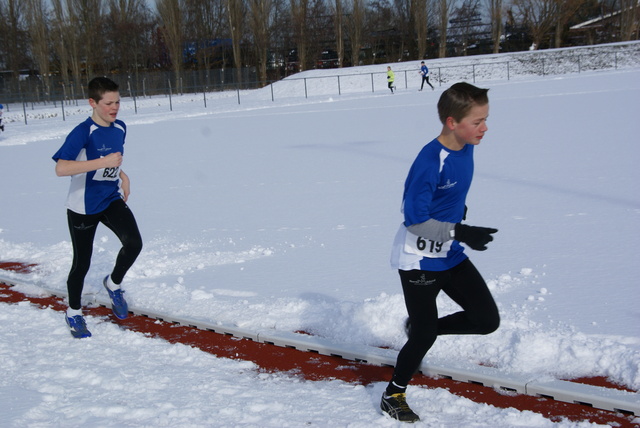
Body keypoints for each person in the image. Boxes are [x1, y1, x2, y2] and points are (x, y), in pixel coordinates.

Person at [380, 82, 500, 422]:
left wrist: (457, 215)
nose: (485, 128)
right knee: (424, 335)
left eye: (485, 119)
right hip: (418, 257)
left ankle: (420, 326)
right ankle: (393, 395)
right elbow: (414, 220)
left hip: (449, 250)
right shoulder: (430, 160)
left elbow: (450, 193)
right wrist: (461, 230)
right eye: (477, 122)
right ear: (451, 122)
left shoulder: (466, 146)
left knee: (486, 320)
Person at [52, 77, 143, 338]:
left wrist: (122, 175)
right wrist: (102, 162)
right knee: (82, 263)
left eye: (117, 102)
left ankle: (113, 284)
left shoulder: (121, 127)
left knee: (134, 243)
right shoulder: (82, 132)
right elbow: (61, 168)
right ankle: (73, 312)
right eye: (108, 103)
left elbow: (113, 161)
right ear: (92, 102)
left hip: (110, 198)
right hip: (83, 205)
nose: (114, 108)